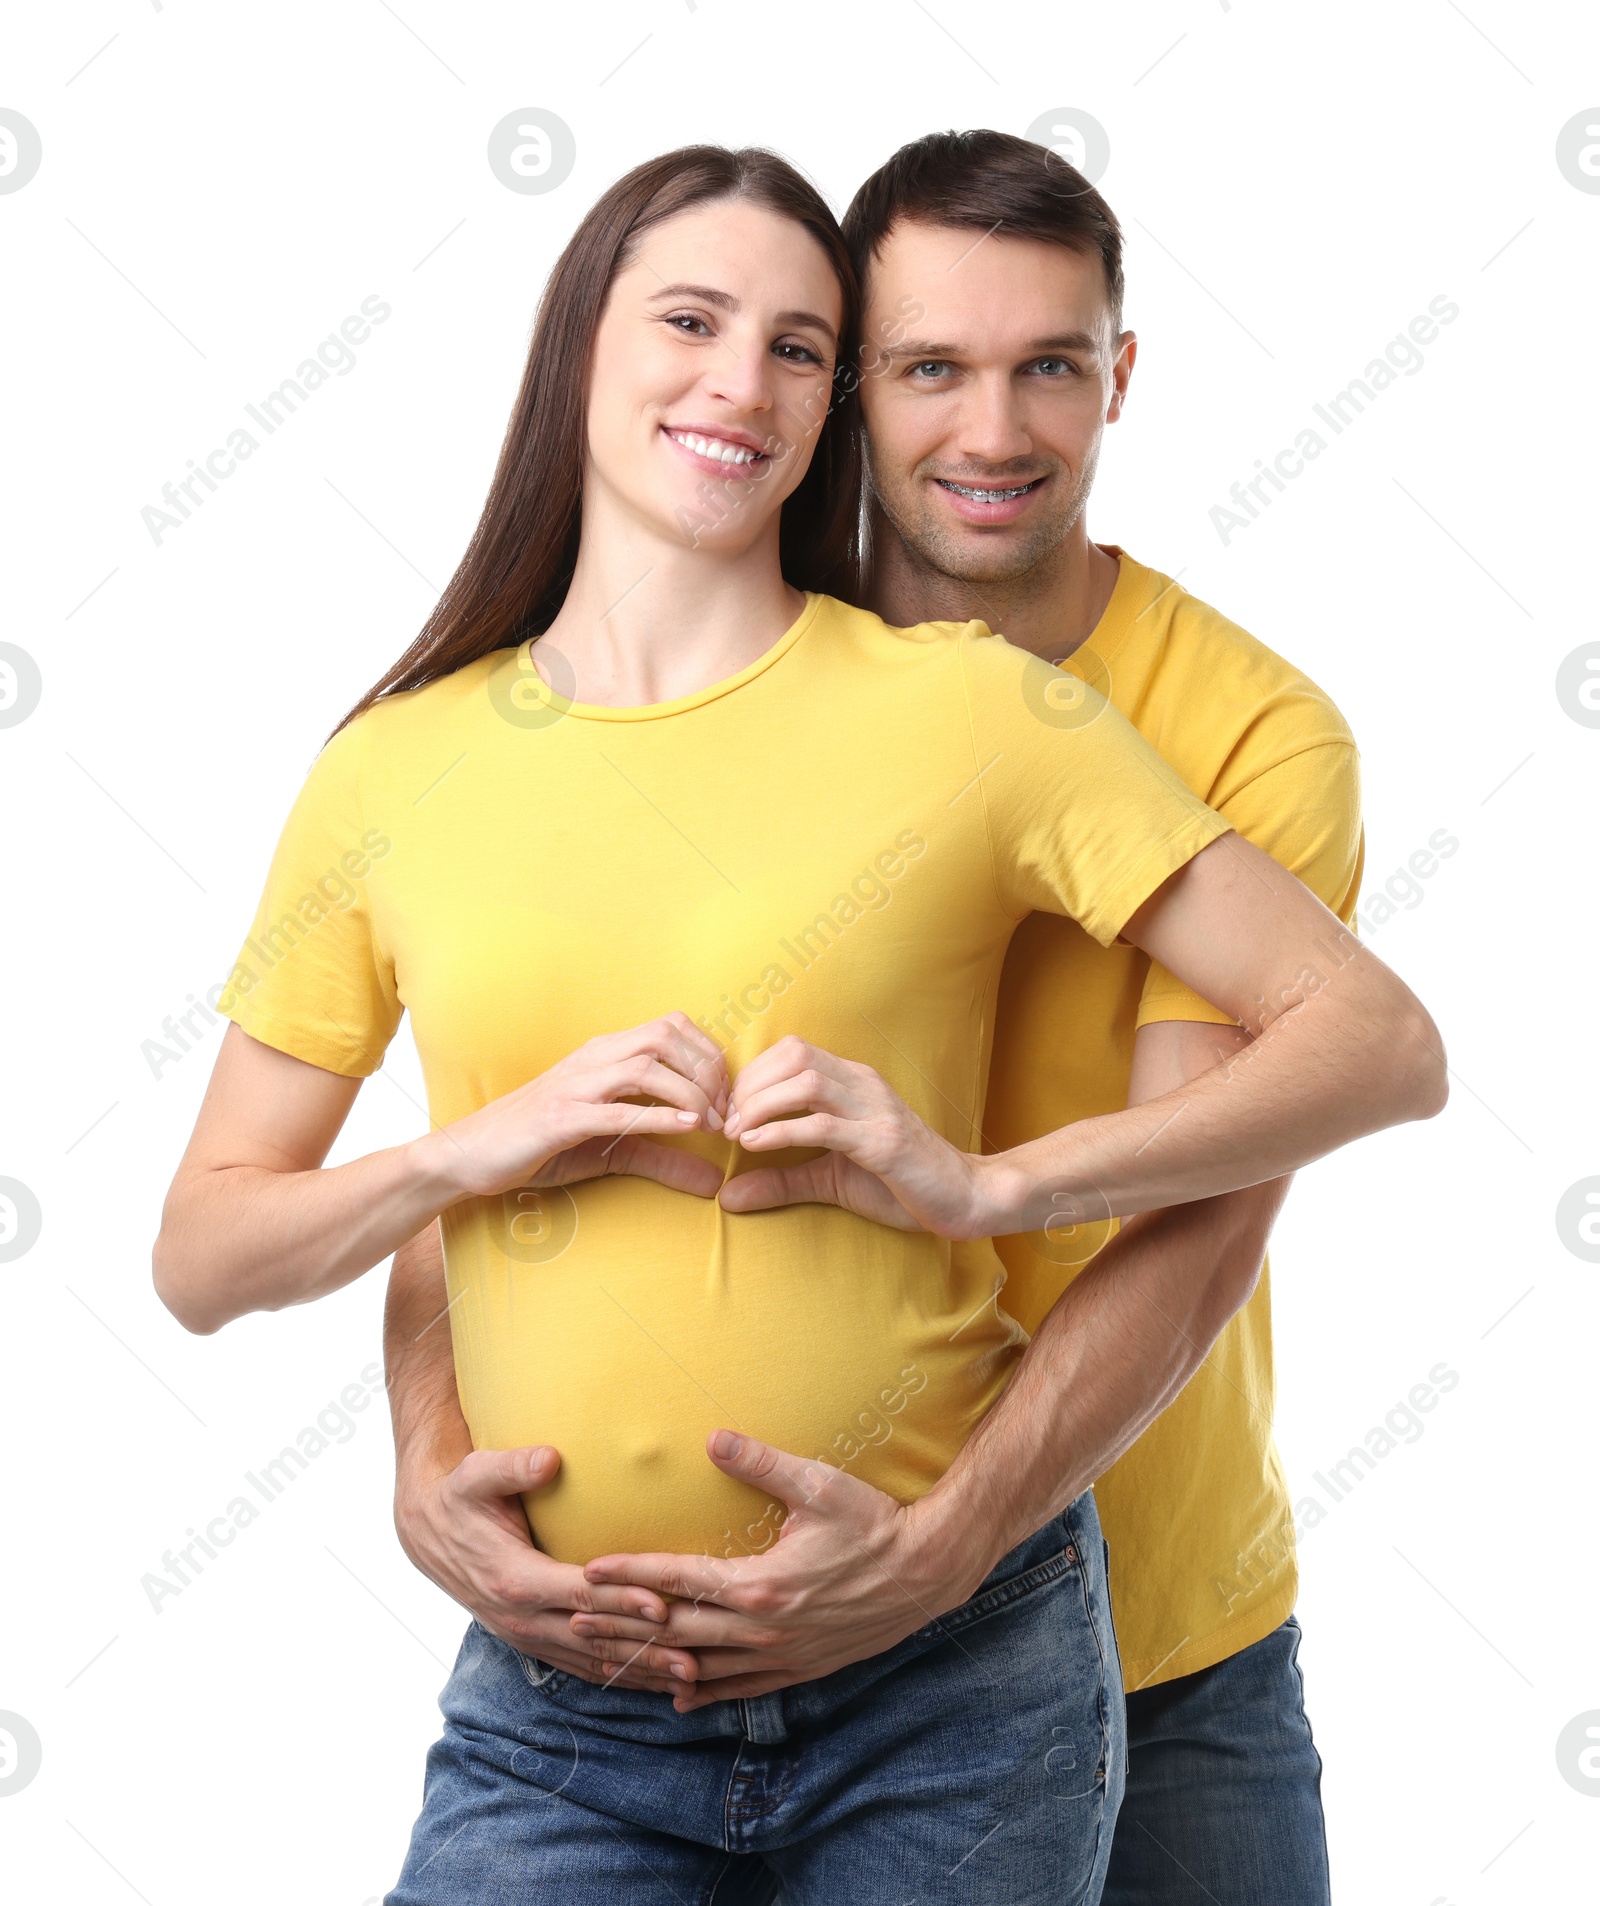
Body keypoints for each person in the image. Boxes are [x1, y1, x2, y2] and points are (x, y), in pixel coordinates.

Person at [156, 144, 1443, 1904]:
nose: (987, 426)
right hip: (597, 1680)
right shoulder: (540, 733)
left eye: (1047, 364)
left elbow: (1234, 1182)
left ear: (1118, 378)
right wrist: (426, 1438)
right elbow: (515, 1148)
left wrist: (973, 1270)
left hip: (1087, 1604)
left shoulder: (1113, 725)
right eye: (923, 365)